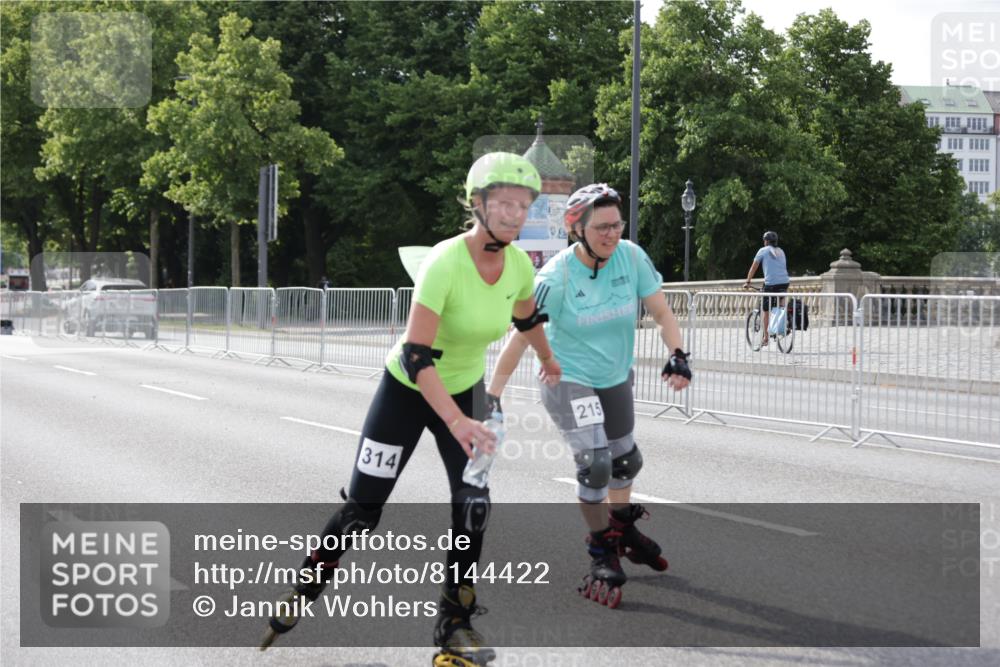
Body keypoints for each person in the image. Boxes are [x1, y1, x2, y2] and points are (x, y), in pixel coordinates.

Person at [261, 153, 560, 664]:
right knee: (362, 511)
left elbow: (528, 318)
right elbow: (415, 355)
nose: (515, 214)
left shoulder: (516, 266)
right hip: (407, 392)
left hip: (465, 390)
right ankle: (305, 589)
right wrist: (457, 421)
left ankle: (454, 622)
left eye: (524, 205)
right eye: (505, 203)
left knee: (474, 505)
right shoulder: (444, 262)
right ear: (478, 204)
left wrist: (550, 363)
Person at [486, 183, 691, 608]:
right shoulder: (555, 277)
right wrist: (492, 395)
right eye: (601, 227)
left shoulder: (631, 257)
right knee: (597, 464)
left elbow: (662, 311)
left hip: (614, 376)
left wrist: (677, 353)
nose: (611, 235)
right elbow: (522, 337)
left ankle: (621, 525)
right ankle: (601, 549)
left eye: (617, 225)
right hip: (568, 379)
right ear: (576, 228)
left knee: (625, 460)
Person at [742, 230, 789, 346]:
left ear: (766, 241)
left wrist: (748, 281)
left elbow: (754, 267)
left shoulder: (763, 251)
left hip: (771, 285)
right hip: (784, 283)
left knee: (766, 310)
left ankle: (766, 338)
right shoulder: (781, 251)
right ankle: (784, 324)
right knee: (781, 305)